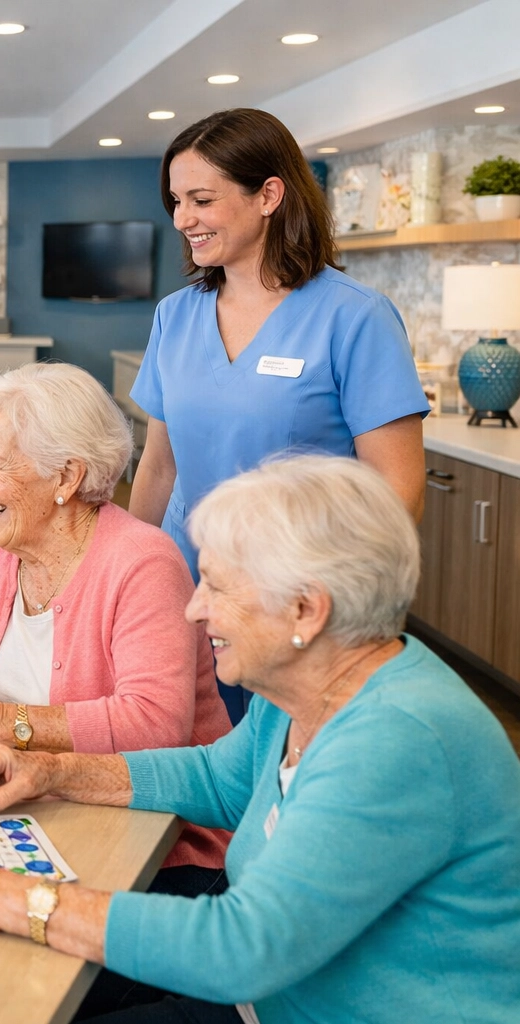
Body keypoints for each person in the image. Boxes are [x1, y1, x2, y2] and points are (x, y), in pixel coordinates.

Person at [0, 456, 520, 1024]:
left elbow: (241, 949)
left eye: (218, 588)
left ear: (307, 611)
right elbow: (217, 779)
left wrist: (11, 899)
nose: (195, 610)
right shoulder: (306, 688)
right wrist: (56, 771)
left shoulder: (395, 741)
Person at [0, 363, 230, 878]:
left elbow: (155, 726)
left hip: (157, 844)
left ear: (66, 476)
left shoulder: (144, 563)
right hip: (35, 815)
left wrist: (0, 724)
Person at [128, 109, 427, 718]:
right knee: (194, 754)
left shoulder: (356, 317)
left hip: (299, 595)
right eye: (177, 200)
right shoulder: (174, 316)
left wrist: (335, 601)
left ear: (269, 194)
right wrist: (130, 573)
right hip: (191, 585)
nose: (183, 219)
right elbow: (158, 466)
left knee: (282, 768)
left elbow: (399, 489)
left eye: (202, 199)